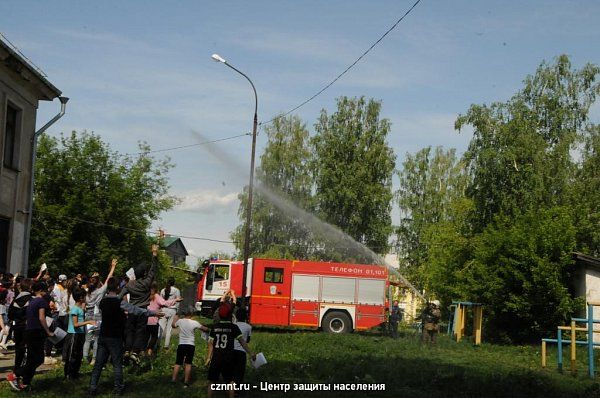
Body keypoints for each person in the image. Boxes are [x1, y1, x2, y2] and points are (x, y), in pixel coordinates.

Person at [89, 277, 162, 396]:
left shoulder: (102, 302)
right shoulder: (119, 302)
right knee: (117, 364)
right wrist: (153, 313)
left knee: (98, 363)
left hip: (103, 335)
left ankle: (92, 387)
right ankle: (118, 388)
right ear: (118, 287)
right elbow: (136, 310)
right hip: (115, 337)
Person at [7, 281, 54, 392]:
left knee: (30, 358)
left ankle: (24, 382)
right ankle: (16, 375)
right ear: (42, 290)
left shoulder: (27, 301)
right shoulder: (39, 301)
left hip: (24, 330)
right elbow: (42, 318)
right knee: (37, 359)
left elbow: (12, 315)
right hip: (36, 331)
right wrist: (48, 331)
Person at [206, 303, 256, 398]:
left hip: (216, 357)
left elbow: (210, 343)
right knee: (230, 381)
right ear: (230, 315)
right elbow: (242, 342)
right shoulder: (233, 327)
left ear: (219, 315)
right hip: (228, 358)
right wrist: (250, 353)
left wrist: (209, 357)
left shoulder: (214, 327)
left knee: (211, 381)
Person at [121, 245, 159, 363]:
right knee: (140, 332)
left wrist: (125, 307)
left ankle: (127, 350)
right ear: (144, 274)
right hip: (142, 311)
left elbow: (119, 297)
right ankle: (135, 352)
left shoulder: (130, 284)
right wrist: (154, 254)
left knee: (130, 330)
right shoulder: (147, 283)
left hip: (132, 311)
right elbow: (153, 270)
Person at [84, 259, 116, 365]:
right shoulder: (100, 292)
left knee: (88, 339)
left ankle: (84, 358)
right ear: (97, 283)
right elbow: (108, 279)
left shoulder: (86, 294)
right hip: (97, 315)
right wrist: (113, 267)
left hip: (87, 315)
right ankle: (94, 359)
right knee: (97, 338)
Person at [170, 307, 209, 388]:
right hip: (190, 345)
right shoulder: (194, 322)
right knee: (188, 363)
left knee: (178, 363)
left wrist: (175, 318)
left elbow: (173, 326)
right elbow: (205, 329)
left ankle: (173, 380)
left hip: (181, 344)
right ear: (192, 314)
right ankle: (186, 382)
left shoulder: (180, 321)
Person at [63, 288, 96, 380]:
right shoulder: (75, 310)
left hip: (80, 334)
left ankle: (75, 373)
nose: (86, 298)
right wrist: (88, 322)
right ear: (81, 298)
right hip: (74, 334)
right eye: (85, 296)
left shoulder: (80, 309)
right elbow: (75, 324)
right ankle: (68, 375)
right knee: (72, 355)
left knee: (78, 355)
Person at [146, 282, 181, 356]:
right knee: (163, 332)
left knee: (147, 335)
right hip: (156, 317)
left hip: (146, 318)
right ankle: (152, 350)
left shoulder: (146, 295)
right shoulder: (156, 296)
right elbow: (164, 303)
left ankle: (146, 349)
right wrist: (175, 300)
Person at [7, 278, 32, 372]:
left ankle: (17, 368)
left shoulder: (14, 301)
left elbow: (10, 315)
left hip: (17, 326)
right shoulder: (32, 300)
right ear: (30, 287)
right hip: (29, 326)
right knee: (28, 348)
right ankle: (25, 370)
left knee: (19, 348)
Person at [158, 277, 180, 349]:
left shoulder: (162, 290)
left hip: (163, 310)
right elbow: (178, 301)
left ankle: (157, 344)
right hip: (172, 310)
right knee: (169, 329)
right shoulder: (176, 290)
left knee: (160, 328)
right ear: (174, 283)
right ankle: (166, 345)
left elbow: (160, 301)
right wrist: (177, 311)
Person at [232, 307, 252, 387]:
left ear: (236, 316)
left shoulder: (233, 325)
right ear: (246, 316)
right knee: (240, 372)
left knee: (231, 370)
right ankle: (237, 389)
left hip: (231, 351)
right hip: (241, 352)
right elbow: (247, 341)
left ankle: (229, 388)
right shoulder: (248, 327)